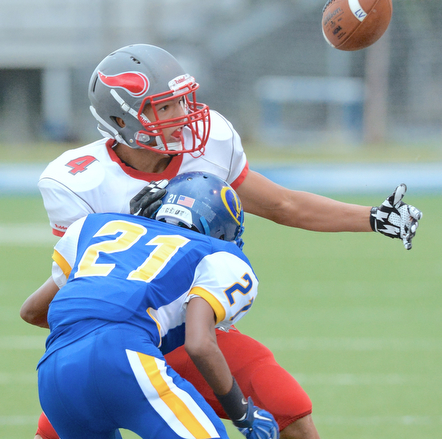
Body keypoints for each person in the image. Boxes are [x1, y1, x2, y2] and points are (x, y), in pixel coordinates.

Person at [23, 43, 422, 439]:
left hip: (189, 330)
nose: (183, 116)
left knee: (289, 409)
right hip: (122, 336)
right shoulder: (77, 181)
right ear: (121, 118)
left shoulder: (210, 142)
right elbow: (74, 293)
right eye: (165, 107)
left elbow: (284, 204)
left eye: (181, 101)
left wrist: (371, 218)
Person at [24, 172, 279, 439]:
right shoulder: (217, 254)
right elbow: (199, 344)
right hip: (124, 358)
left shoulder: (96, 225)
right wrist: (242, 413)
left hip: (55, 370)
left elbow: (31, 311)